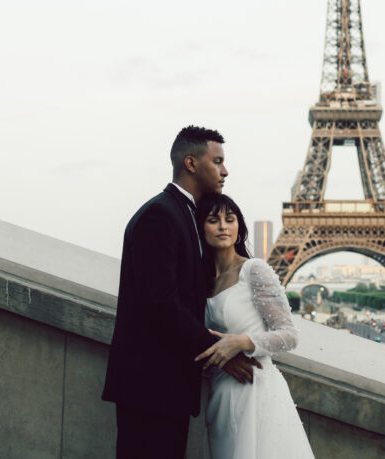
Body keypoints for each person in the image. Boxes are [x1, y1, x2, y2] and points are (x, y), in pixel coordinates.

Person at [102, 126, 261, 459]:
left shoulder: (184, 214)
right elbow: (160, 302)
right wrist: (219, 351)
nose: (225, 170)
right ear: (191, 163)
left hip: (162, 386)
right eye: (217, 161)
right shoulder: (161, 215)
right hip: (151, 387)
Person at [193, 194, 314, 459]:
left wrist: (242, 342)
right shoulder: (202, 282)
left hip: (256, 392)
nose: (223, 226)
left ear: (239, 226)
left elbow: (290, 335)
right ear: (201, 228)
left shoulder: (254, 270)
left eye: (230, 219)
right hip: (220, 396)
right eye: (213, 220)